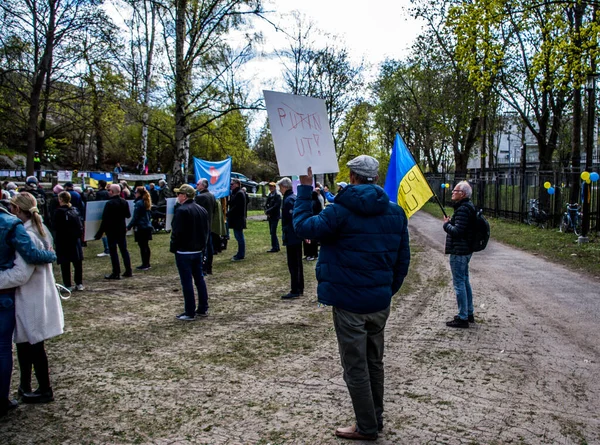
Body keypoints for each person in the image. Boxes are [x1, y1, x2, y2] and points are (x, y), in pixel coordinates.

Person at [293, 156, 410, 441]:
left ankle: (367, 427)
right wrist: (385, 291)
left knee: (356, 367)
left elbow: (303, 228)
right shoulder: (395, 213)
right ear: (374, 177)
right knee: (374, 362)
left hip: (349, 304)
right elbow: (402, 262)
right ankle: (375, 419)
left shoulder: (339, 211)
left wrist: (305, 190)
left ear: (353, 177)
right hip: (379, 303)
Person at [0, 192, 63, 406]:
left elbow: (21, 273)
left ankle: (44, 388)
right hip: (37, 294)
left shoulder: (28, 235)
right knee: (27, 345)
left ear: (17, 210)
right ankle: (26, 385)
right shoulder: (40, 230)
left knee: (33, 345)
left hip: (30, 296)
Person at [170, 184, 210, 321]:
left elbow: (176, 232)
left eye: (179, 194)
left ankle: (189, 311)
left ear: (184, 196)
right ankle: (203, 307)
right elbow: (206, 231)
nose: (177, 196)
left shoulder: (182, 211)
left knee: (187, 281)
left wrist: (174, 247)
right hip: (197, 250)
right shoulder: (201, 210)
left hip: (184, 251)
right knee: (199, 279)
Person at [443, 180, 476, 328]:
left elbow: (458, 231)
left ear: (462, 194)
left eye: (455, 191)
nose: (452, 193)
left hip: (459, 251)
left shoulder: (463, 209)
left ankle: (463, 317)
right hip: (465, 250)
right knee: (464, 280)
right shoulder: (467, 207)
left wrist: (446, 224)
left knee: (459, 284)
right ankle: (468, 313)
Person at [94, 184, 132, 280]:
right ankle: (128, 270)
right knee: (124, 250)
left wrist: (99, 233)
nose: (108, 192)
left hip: (111, 230)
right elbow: (128, 215)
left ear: (112, 191)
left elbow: (105, 220)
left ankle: (116, 272)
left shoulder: (109, 204)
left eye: (109, 190)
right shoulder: (124, 202)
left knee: (113, 251)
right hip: (121, 229)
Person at [276, 177, 304, 299]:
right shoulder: (292, 198)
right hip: (295, 235)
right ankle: (299, 287)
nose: (280, 190)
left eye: (280, 187)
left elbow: (291, 219)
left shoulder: (288, 200)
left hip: (292, 236)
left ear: (285, 187)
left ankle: (295, 289)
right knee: (297, 263)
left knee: (293, 264)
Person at [53, 191, 84, 291]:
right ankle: (79, 283)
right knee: (77, 263)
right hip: (75, 240)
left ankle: (67, 285)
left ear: (61, 199)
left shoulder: (59, 212)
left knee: (65, 264)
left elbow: (55, 226)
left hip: (63, 240)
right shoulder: (75, 210)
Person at [127, 187, 153, 271]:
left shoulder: (139, 203)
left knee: (142, 246)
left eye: (136, 192)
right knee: (146, 245)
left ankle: (144, 264)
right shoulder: (146, 202)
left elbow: (136, 217)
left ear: (139, 193)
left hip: (141, 227)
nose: (135, 194)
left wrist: (129, 226)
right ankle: (147, 263)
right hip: (147, 226)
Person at [195, 178, 216, 274]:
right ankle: (208, 267)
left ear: (203, 185)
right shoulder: (211, 195)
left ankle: (204, 268)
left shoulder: (200, 197)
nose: (196, 186)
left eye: (198, 184)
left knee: (204, 247)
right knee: (209, 246)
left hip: (202, 225)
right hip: (209, 223)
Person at [227, 178, 246, 261]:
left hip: (238, 219)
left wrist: (228, 213)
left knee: (239, 237)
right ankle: (240, 253)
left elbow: (237, 207)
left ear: (237, 184)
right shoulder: (235, 193)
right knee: (238, 236)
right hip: (236, 219)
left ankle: (241, 254)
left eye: (232, 184)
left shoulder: (239, 193)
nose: (231, 186)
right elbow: (232, 203)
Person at [95, 180, 111, 258]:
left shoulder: (99, 193)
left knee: (103, 232)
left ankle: (107, 249)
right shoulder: (108, 193)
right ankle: (108, 248)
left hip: (101, 212)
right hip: (108, 213)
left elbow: (97, 203)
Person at [264, 182, 281, 253]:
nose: (270, 187)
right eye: (269, 186)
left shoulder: (277, 195)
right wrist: (266, 211)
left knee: (273, 232)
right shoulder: (270, 195)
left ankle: (275, 247)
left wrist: (268, 211)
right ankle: (276, 246)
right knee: (272, 232)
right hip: (270, 216)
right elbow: (266, 204)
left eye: (272, 186)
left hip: (275, 216)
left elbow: (276, 206)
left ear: (275, 187)